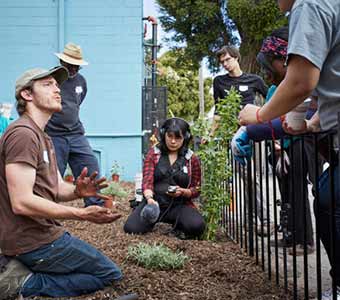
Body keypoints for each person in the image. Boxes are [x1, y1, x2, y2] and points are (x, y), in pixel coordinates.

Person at [239, 0, 340, 298]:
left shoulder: (309, 3)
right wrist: (314, 122)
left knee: (329, 202)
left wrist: (257, 116)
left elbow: (301, 82)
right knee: (325, 197)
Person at [0, 67, 122, 299]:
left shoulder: (43, 136)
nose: (57, 89)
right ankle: (22, 283)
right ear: (27, 95)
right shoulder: (23, 135)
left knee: (104, 271)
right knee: (109, 274)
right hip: (31, 240)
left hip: (43, 233)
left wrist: (77, 191)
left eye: (56, 84)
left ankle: (21, 269)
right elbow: (21, 202)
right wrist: (81, 214)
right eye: (47, 84)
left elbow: (55, 187)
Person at [213, 45, 270, 235]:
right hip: (234, 137)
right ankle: (261, 219)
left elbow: (271, 99)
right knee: (247, 178)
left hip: (254, 132)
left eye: (228, 59)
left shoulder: (254, 80)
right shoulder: (219, 82)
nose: (225, 64)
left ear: (236, 58)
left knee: (254, 178)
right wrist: (211, 135)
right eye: (222, 62)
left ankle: (255, 219)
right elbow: (218, 111)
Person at [124, 117, 205, 239]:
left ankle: (178, 224)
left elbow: (196, 189)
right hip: (154, 203)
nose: (173, 141)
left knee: (197, 226)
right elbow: (147, 180)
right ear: (163, 135)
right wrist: (150, 199)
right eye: (170, 136)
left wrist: (184, 192)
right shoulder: (154, 153)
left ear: (185, 138)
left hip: (179, 205)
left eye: (178, 138)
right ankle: (152, 218)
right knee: (131, 228)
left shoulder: (191, 159)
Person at [45, 42, 102, 207]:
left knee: (91, 165)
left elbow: (77, 103)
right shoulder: (50, 80)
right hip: (54, 135)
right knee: (53, 172)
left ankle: (93, 204)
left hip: (76, 134)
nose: (74, 70)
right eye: (70, 66)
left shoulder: (81, 81)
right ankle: (48, 207)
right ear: (62, 63)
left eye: (77, 67)